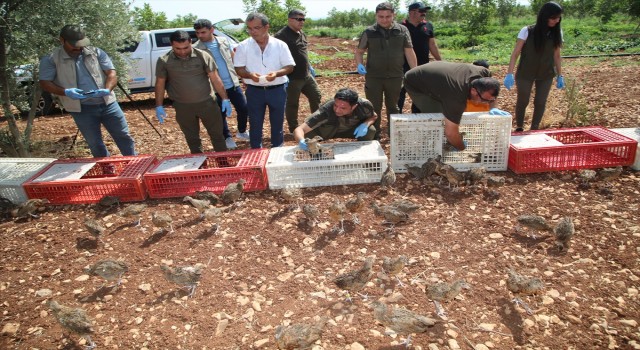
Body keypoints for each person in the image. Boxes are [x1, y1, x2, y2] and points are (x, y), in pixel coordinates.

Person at [39, 25, 136, 158]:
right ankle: (107, 171)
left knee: (124, 136)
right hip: (82, 109)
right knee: (95, 143)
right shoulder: (51, 59)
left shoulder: (96, 52)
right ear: (62, 40)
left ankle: (133, 162)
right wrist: (66, 92)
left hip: (108, 104)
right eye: (74, 45)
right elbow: (45, 83)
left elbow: (112, 73)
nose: (79, 48)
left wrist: (107, 90)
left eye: (81, 44)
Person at [154, 30, 232, 154]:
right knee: (192, 139)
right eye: (177, 48)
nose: (182, 52)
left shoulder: (203, 56)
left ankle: (223, 163)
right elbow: (160, 83)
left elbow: (215, 78)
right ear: (171, 45)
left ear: (191, 42)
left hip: (207, 104)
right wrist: (159, 105)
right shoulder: (164, 60)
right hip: (183, 106)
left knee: (217, 136)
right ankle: (200, 166)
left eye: (186, 47)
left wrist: (225, 98)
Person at [404, 61, 510, 150]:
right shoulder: (456, 98)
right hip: (415, 82)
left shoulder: (484, 73)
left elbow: (490, 94)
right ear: (473, 91)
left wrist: (493, 107)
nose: (486, 104)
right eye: (483, 100)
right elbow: (450, 133)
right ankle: (432, 146)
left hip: (440, 78)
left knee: (449, 115)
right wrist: (462, 149)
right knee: (438, 117)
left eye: (490, 101)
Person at [355, 2, 417, 140]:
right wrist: (359, 64)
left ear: (393, 15)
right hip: (374, 77)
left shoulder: (402, 30)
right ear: (376, 16)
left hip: (395, 76)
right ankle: (374, 135)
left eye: (388, 16)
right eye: (381, 16)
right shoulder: (369, 32)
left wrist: (415, 72)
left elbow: (409, 51)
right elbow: (359, 51)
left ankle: (393, 133)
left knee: (393, 107)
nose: (384, 20)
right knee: (373, 108)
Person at [234, 12, 295, 149]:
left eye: (256, 28)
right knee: (255, 123)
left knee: (277, 122)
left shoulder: (280, 45)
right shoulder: (243, 46)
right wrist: (250, 75)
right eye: (249, 28)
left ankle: (277, 149)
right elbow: (239, 69)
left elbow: (289, 66)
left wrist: (277, 73)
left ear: (266, 27)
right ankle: (256, 151)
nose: (252, 32)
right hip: (255, 91)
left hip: (277, 89)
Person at [504, 1, 565, 131]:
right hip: (525, 73)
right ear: (544, 16)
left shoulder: (557, 33)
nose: (556, 20)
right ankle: (519, 126)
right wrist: (509, 73)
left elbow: (557, 56)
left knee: (540, 102)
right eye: (553, 17)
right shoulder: (527, 31)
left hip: (546, 74)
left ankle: (534, 129)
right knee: (523, 100)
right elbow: (515, 53)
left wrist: (560, 75)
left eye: (558, 18)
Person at [193, 18, 250, 149]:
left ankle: (242, 131)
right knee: (220, 115)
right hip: (214, 88)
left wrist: (242, 77)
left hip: (233, 84)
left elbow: (233, 58)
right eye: (197, 33)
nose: (200, 35)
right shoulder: (196, 49)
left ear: (211, 30)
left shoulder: (223, 41)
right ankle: (227, 137)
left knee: (244, 108)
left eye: (203, 32)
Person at [274, 9, 322, 133]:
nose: (302, 22)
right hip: (292, 77)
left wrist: (309, 66)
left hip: (306, 75)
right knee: (293, 104)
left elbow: (303, 52)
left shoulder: (302, 33)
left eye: (303, 19)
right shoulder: (281, 36)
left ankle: (316, 123)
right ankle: (293, 128)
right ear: (290, 19)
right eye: (299, 19)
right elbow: (276, 57)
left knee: (316, 96)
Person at [294, 88, 378, 147]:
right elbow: (299, 129)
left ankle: (363, 155)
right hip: (328, 131)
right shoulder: (326, 110)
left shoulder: (364, 105)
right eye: (335, 105)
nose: (337, 110)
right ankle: (317, 158)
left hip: (352, 130)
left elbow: (374, 116)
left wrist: (365, 124)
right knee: (308, 134)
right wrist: (301, 141)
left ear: (354, 107)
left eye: (343, 108)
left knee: (370, 130)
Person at [398, 1, 442, 113]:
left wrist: (440, 60)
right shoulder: (400, 27)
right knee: (400, 91)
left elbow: (432, 44)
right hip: (402, 65)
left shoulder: (428, 26)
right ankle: (396, 117)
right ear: (412, 12)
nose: (424, 14)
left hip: (423, 66)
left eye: (425, 12)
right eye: (421, 11)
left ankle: (417, 116)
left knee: (421, 92)